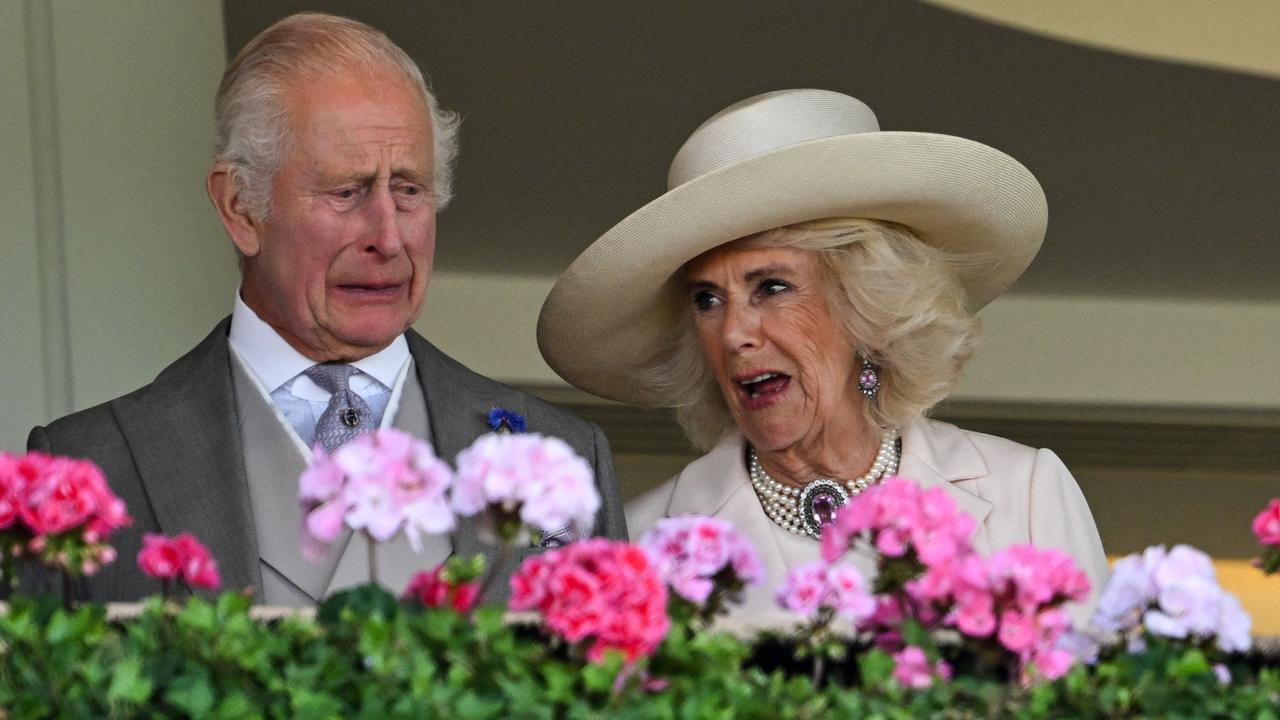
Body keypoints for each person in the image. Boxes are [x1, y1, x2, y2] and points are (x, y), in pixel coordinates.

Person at [26, 13, 624, 604]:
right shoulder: (89, 465)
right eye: (347, 192)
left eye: (409, 190)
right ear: (239, 206)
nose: (388, 239)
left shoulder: (563, 456)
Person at [537, 89, 1106, 623]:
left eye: (772, 288)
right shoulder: (642, 543)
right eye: (708, 300)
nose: (734, 332)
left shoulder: (1022, 493)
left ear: (864, 304)